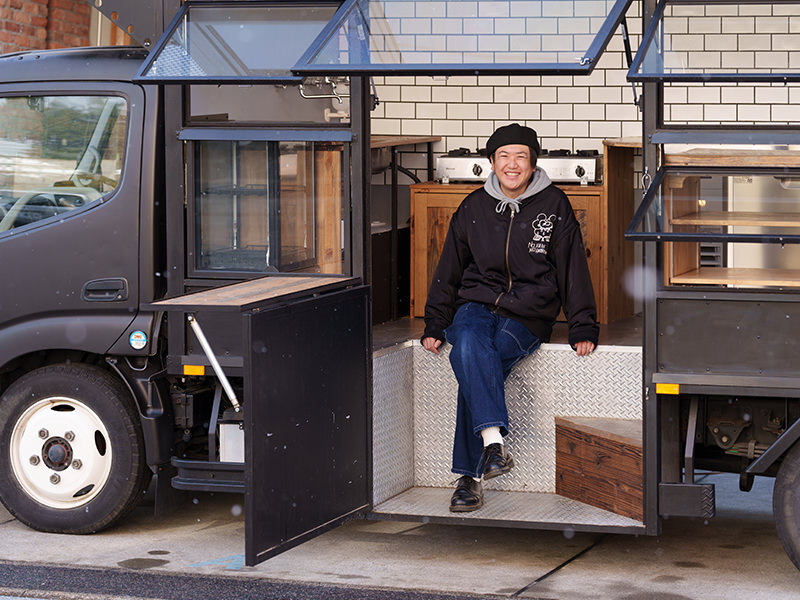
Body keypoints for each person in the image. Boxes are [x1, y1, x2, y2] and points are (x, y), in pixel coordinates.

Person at [421, 123, 598, 512]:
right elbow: (449, 268)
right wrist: (435, 322)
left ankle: (469, 477)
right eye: (503, 156)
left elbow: (572, 270)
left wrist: (583, 324)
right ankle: (493, 445)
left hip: (528, 314)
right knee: (467, 342)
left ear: (533, 163)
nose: (512, 164)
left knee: (476, 362)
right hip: (476, 304)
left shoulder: (554, 205)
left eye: (520, 156)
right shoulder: (473, 207)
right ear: (491, 163)